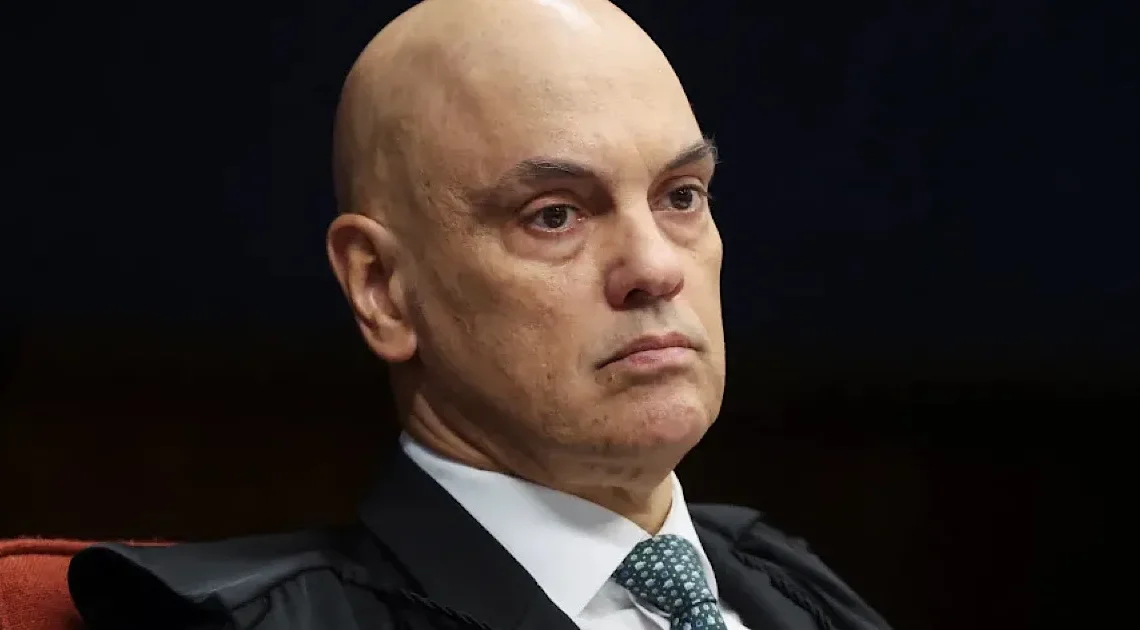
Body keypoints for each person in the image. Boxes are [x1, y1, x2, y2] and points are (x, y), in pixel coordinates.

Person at [67, 0, 892, 628]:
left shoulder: (793, 586)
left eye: (681, 197)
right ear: (382, 288)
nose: (654, 268)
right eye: (555, 215)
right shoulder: (246, 622)